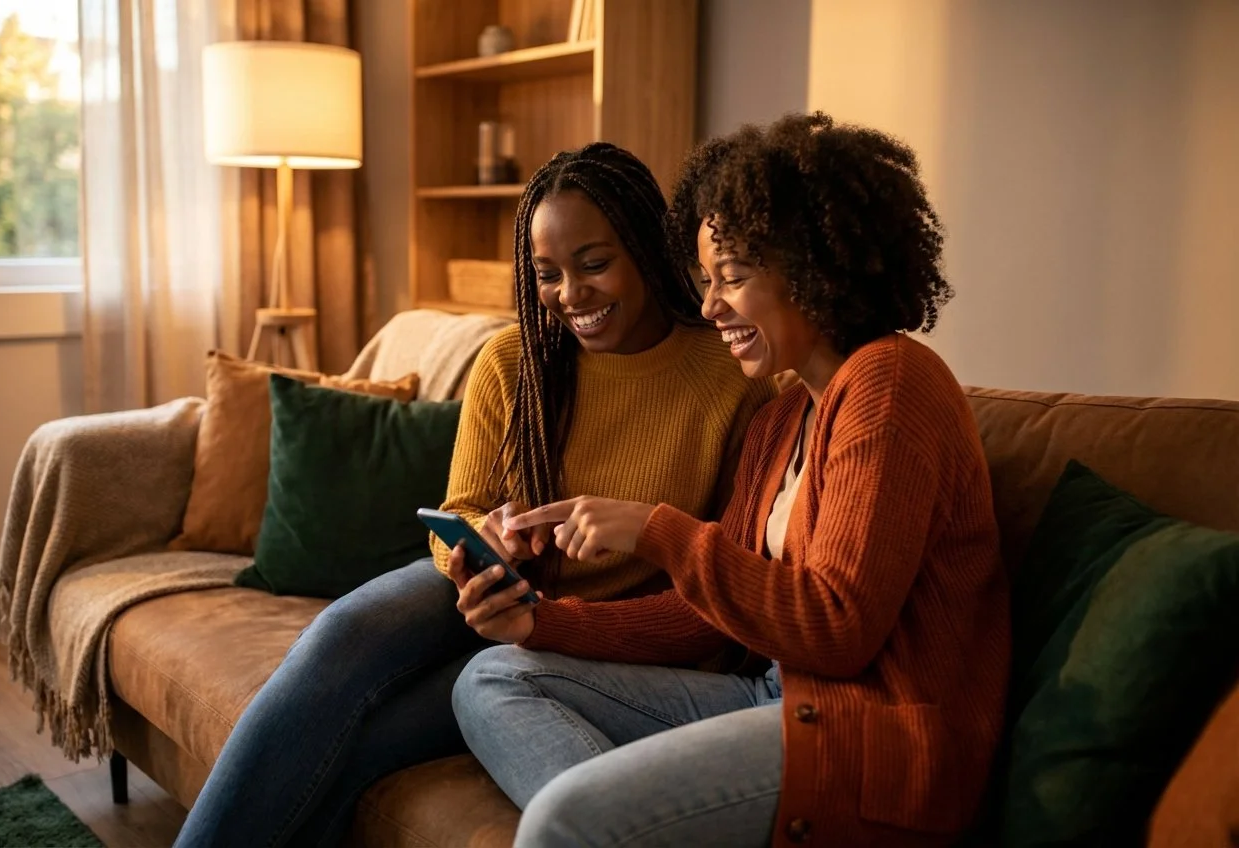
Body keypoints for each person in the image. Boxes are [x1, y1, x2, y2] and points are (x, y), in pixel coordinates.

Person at [173, 142, 776, 847]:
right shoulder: (512, 359)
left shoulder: (731, 374)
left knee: (372, 744)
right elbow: (459, 507)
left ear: (645, 246)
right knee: (340, 634)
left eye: (594, 264)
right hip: (493, 583)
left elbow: (722, 560)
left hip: (606, 629)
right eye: (547, 274)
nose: (570, 296)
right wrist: (478, 544)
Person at [451, 111, 1011, 848]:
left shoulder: (892, 384)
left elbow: (837, 628)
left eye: (734, 279)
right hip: (771, 699)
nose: (710, 307)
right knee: (492, 677)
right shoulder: (783, 418)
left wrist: (658, 531)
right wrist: (541, 623)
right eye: (706, 280)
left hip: (873, 744)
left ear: (815, 272)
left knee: (565, 819)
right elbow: (708, 614)